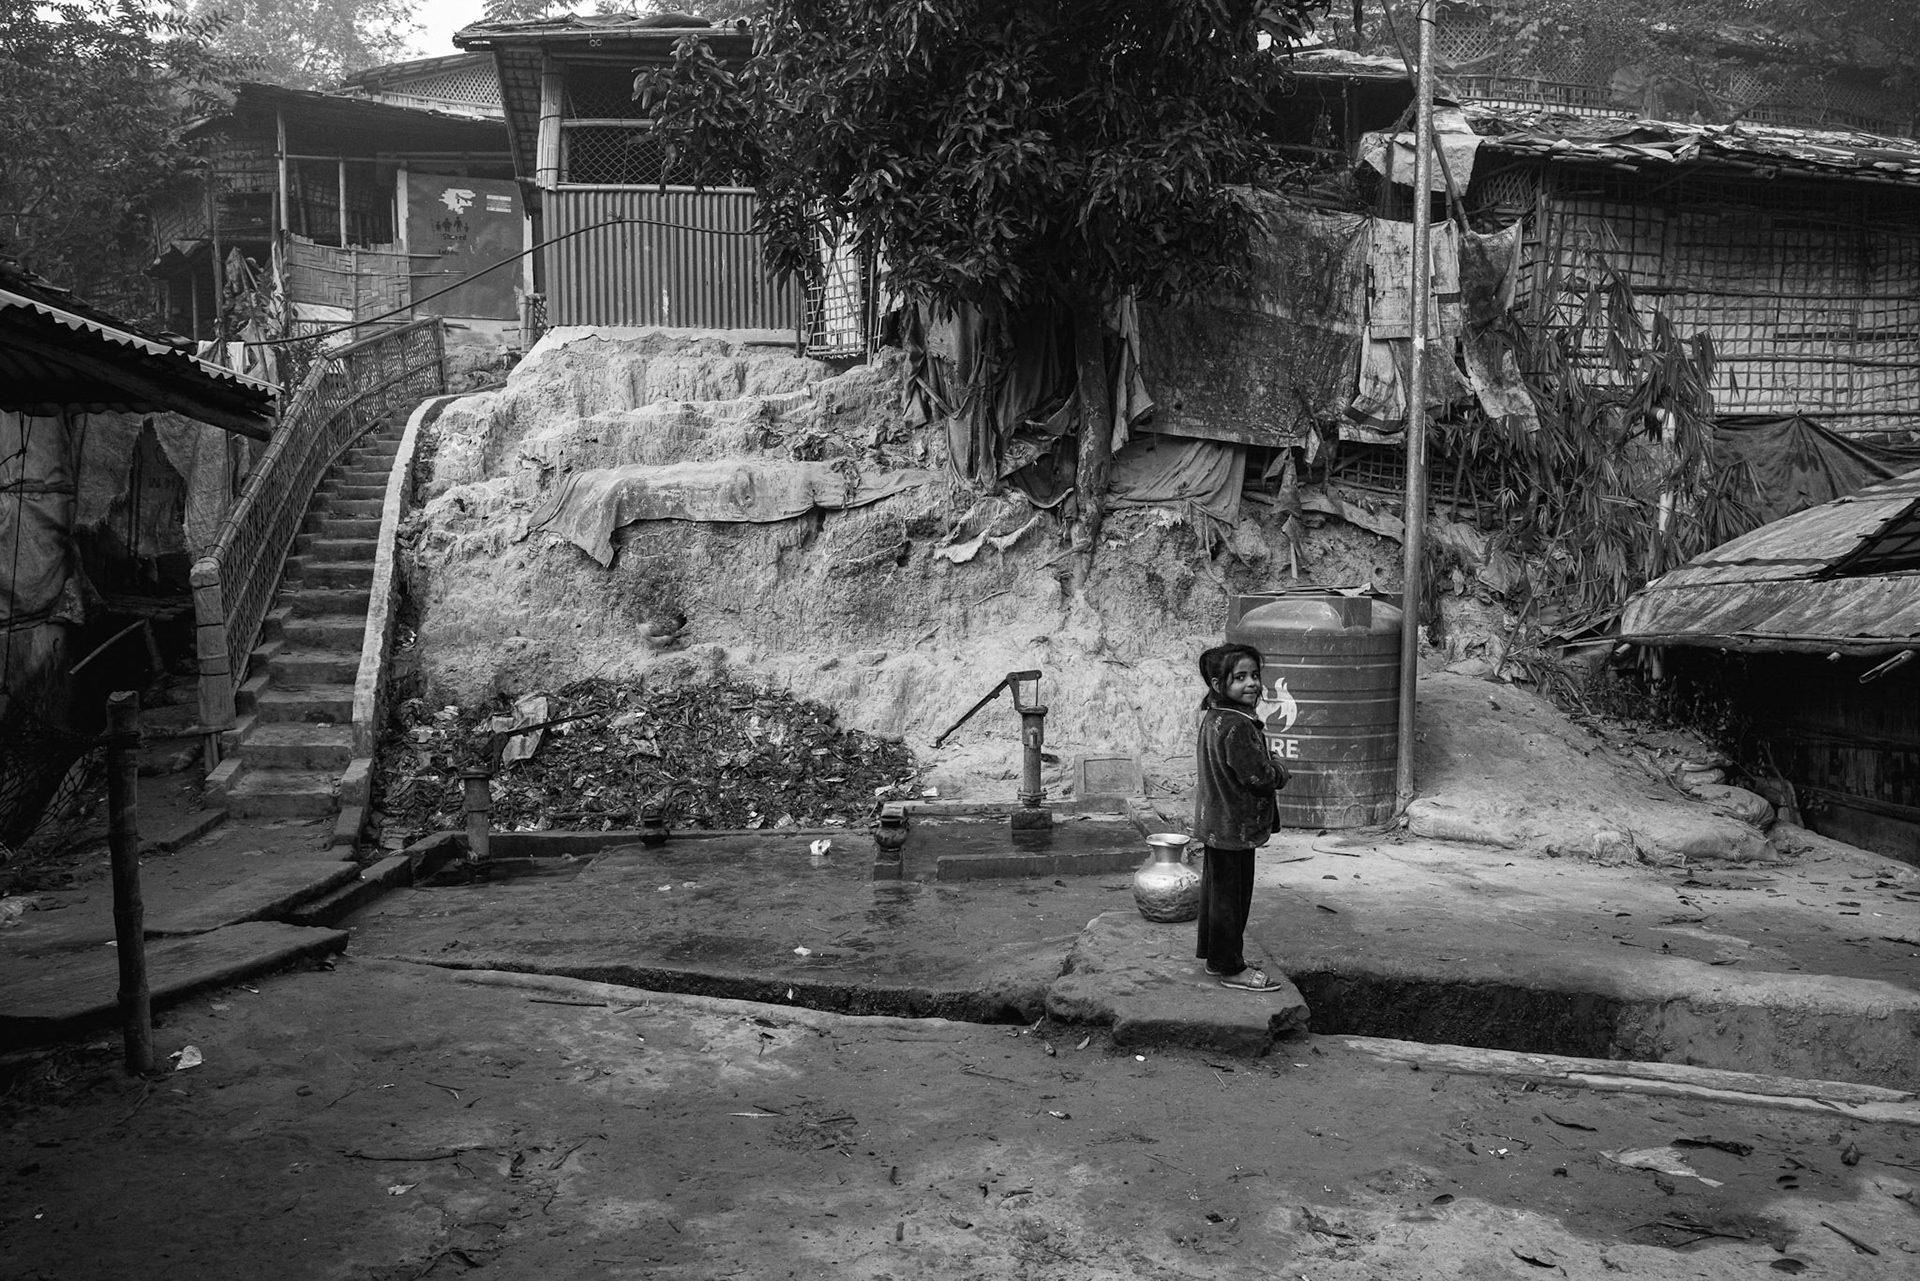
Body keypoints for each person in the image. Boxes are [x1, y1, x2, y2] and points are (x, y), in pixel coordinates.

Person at [1193, 642, 1289, 991]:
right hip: (1235, 826)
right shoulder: (1237, 726)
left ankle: (1215, 957)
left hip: (1216, 824)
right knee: (1232, 901)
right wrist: (1279, 770)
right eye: (1240, 678)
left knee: (1217, 896)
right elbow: (1257, 777)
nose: (1251, 683)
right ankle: (1231, 967)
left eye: (1254, 676)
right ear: (1219, 686)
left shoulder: (1215, 718)